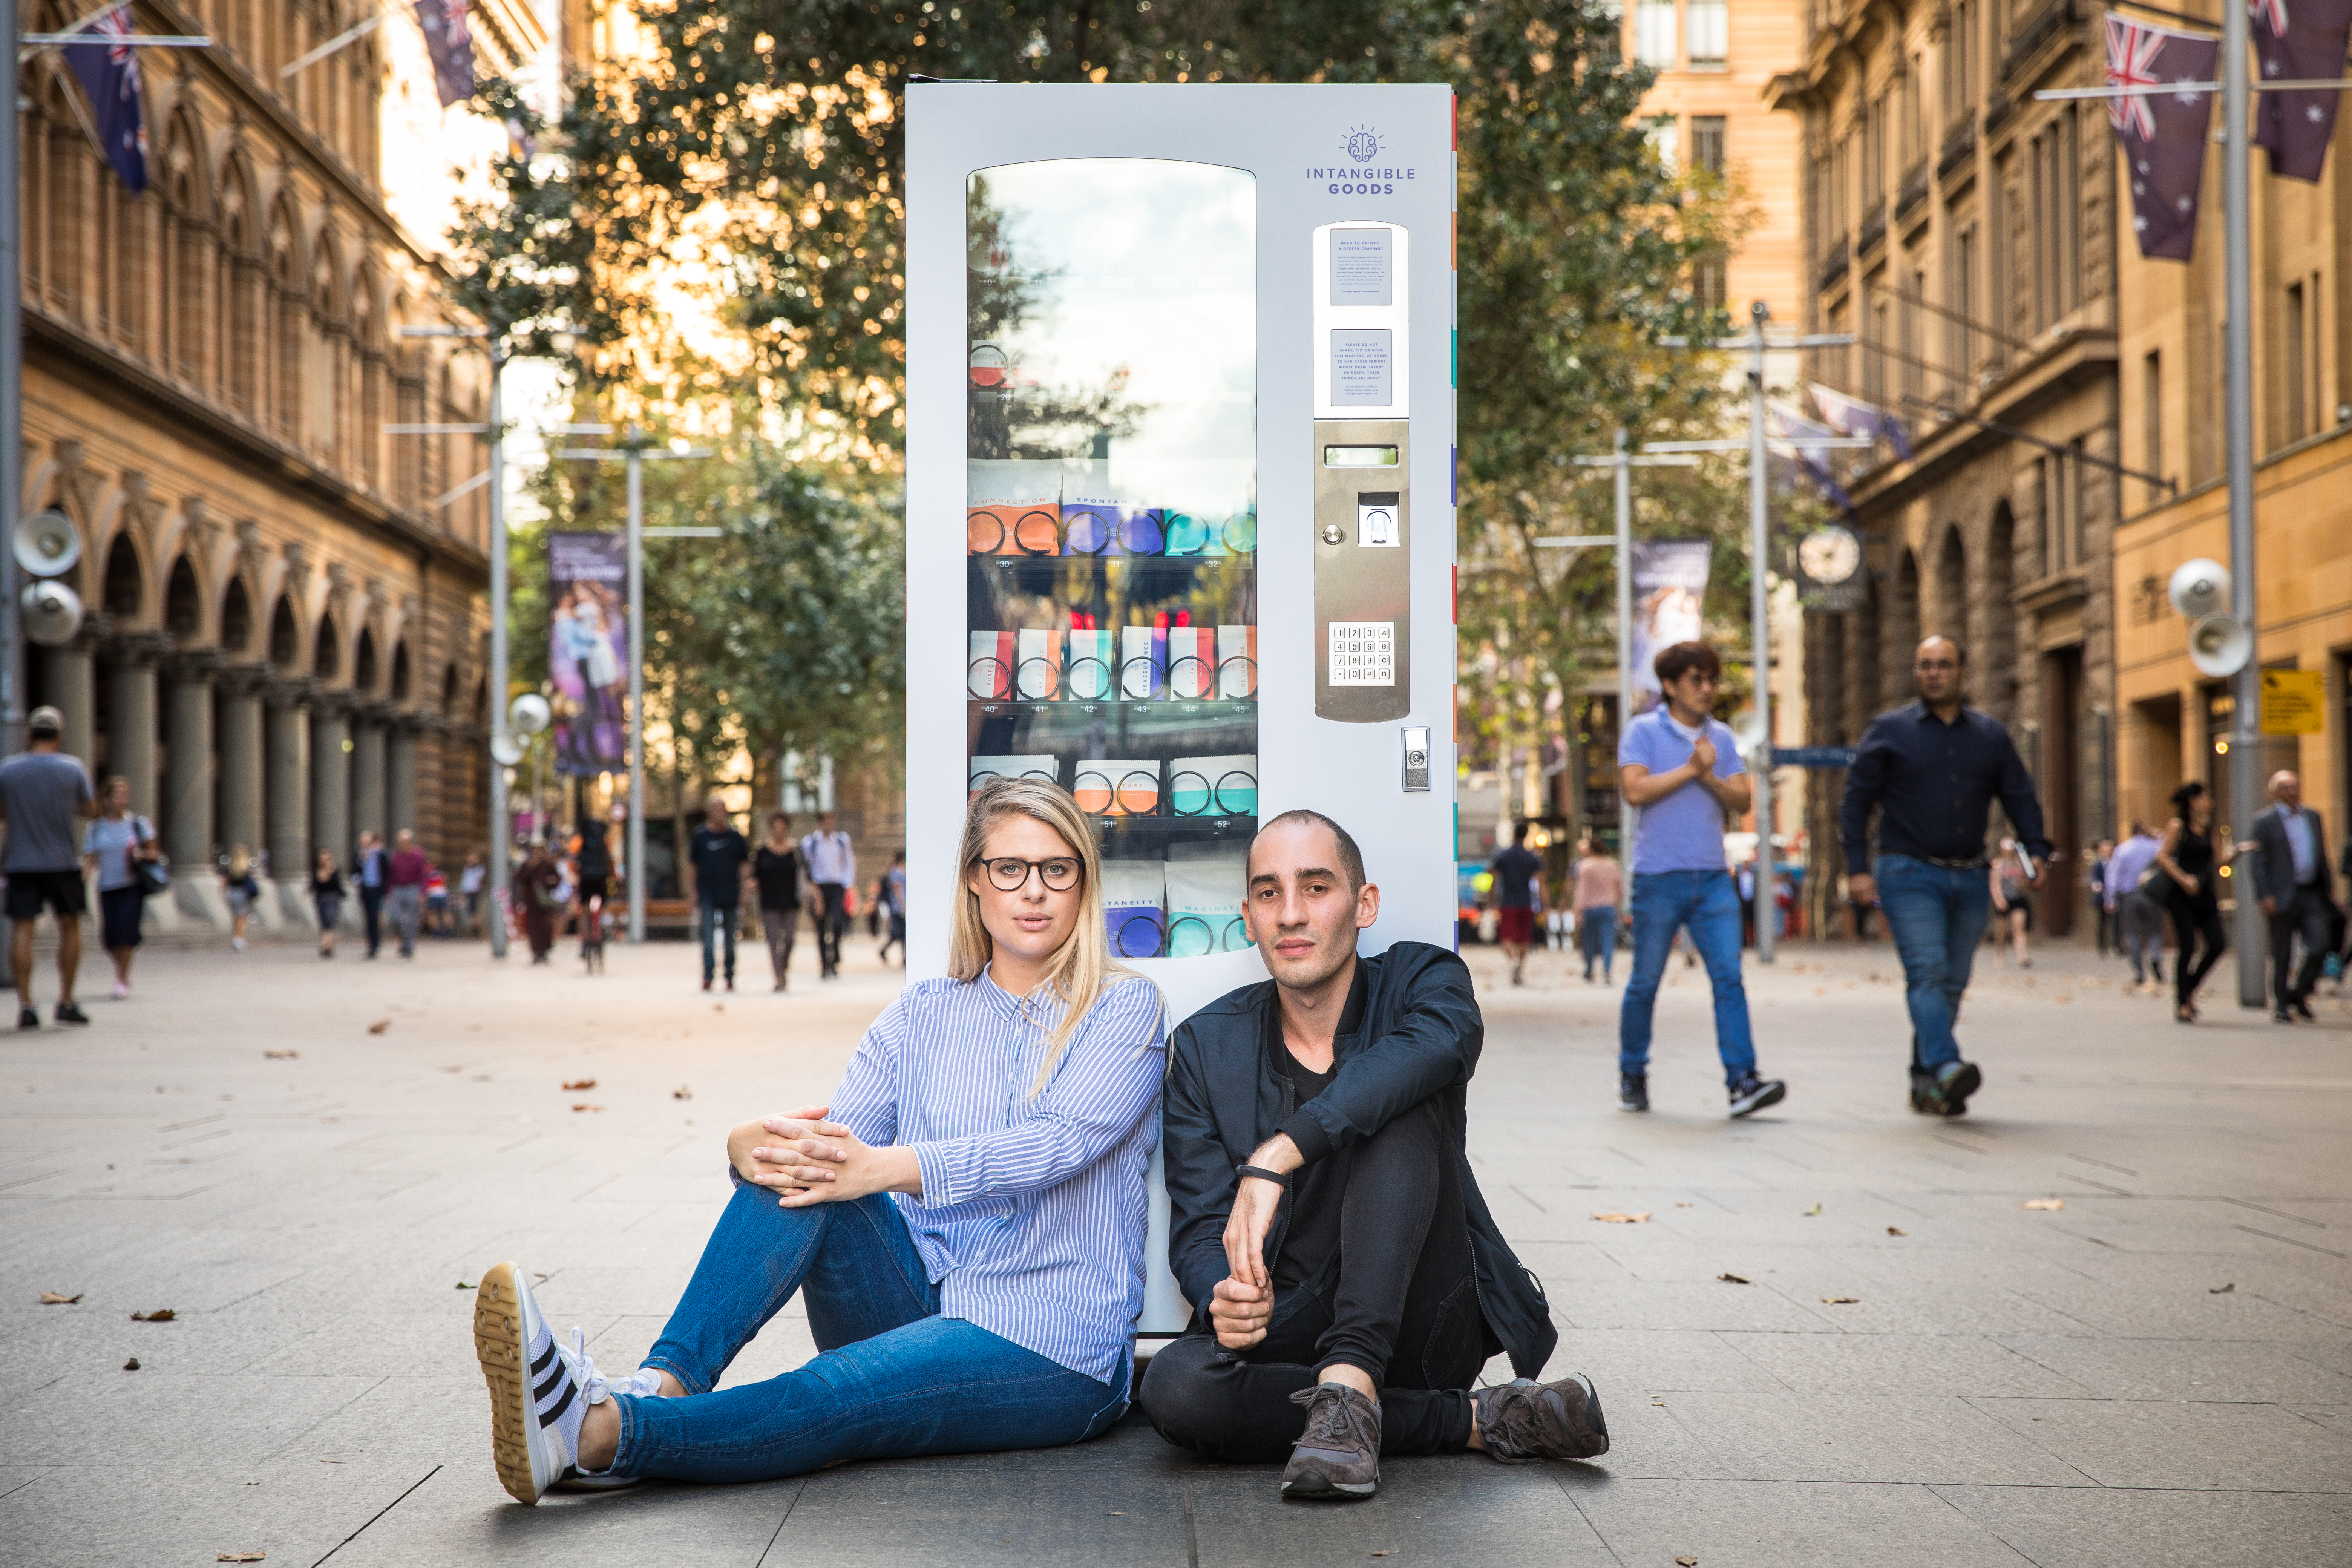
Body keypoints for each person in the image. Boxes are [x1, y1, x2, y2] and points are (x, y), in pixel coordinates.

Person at [467, 777, 1163, 1503]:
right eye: (1009, 868)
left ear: (1083, 884)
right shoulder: (920, 1012)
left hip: (1050, 1343)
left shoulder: (1124, 1008)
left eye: (1058, 869)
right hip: (915, 1293)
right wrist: (748, 1144)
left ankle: (597, 1433)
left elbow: (1055, 1143)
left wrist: (880, 1167)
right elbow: (837, 1148)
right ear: (973, 881)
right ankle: (659, 1382)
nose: (1034, 891)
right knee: (802, 1167)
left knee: (833, 1388)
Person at [1138, 808, 1600, 1501]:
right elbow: (1202, 1222)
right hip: (1291, 1326)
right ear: (1247, 914)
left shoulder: (1423, 980)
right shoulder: (1204, 1047)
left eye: (1315, 887)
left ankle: (1354, 1378)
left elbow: (1440, 1045)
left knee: (1399, 1090)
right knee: (1175, 1386)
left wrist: (1279, 1151)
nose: (1290, 912)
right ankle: (1471, 1418)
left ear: (1363, 904)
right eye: (1268, 893)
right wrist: (1221, 1292)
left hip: (1422, 1314)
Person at [1840, 636, 2049, 1117]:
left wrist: (2035, 851)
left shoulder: (1989, 735)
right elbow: (1855, 802)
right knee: (1928, 972)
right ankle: (1946, 1063)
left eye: (1943, 665)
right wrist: (1855, 867)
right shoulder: (1888, 731)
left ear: (1961, 672)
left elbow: (2019, 795)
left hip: (1970, 875)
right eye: (1924, 666)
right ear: (1916, 673)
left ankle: (1925, 1081)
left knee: (1951, 983)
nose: (1933, 673)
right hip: (1907, 871)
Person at [1615, 642, 1785, 1119]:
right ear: (1669, 686)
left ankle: (1742, 1081)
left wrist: (1707, 774)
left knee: (1729, 979)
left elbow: (1740, 798)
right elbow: (1634, 789)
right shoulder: (1643, 730)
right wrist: (1692, 768)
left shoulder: (1722, 737)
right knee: (1645, 982)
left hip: (1712, 879)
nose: (1707, 688)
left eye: (1711, 679)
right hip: (1657, 878)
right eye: (1696, 679)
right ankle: (1632, 1072)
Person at [0, 706, 97, 1028]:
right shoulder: (72, 768)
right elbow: (89, 808)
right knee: (69, 927)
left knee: (22, 929)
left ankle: (27, 1004)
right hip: (62, 861)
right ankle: (66, 1000)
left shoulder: (8, 770)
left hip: (20, 861)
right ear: (60, 736)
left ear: (29, 734)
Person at [2249, 769, 2337, 1024]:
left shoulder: (2313, 816)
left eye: (2294, 785)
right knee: (2282, 953)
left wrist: (2328, 888)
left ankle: (2298, 994)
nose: (2291, 791)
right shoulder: (2264, 821)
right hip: (2281, 896)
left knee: (2320, 944)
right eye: (2285, 787)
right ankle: (2281, 1004)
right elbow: (2259, 862)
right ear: (2274, 792)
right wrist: (2264, 894)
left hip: (2311, 893)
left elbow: (2321, 854)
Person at [2152, 781, 2225, 1023]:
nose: (2210, 803)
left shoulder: (2209, 829)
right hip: (2181, 896)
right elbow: (2162, 858)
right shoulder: (2178, 826)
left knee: (2217, 944)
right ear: (2193, 802)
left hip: (2205, 895)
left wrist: (2240, 851)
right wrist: (2184, 880)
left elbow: (2220, 860)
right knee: (2188, 948)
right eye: (2205, 798)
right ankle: (2182, 1003)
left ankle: (2188, 989)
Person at [81, 775, 156, 998]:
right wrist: (82, 882)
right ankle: (121, 969)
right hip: (107, 886)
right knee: (109, 938)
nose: (121, 799)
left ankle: (122, 978)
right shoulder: (96, 828)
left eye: (125, 795)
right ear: (106, 798)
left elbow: (155, 853)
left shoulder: (138, 824)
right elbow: (89, 859)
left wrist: (141, 854)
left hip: (131, 885)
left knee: (126, 933)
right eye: (117, 795)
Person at [691, 797, 751, 992]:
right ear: (710, 812)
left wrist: (744, 890)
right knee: (708, 937)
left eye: (723, 810)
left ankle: (730, 976)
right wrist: (692, 892)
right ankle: (708, 975)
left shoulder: (735, 837)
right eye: (716, 810)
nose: (720, 814)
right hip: (707, 893)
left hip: (731, 893)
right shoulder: (700, 837)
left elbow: (744, 865)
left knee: (730, 939)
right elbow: (692, 866)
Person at [2107, 822, 2166, 991]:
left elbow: (2113, 875)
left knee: (2133, 933)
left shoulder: (2123, 849)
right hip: (2152, 895)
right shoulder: (2155, 846)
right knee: (2155, 930)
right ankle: (2155, 958)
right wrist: (2159, 834)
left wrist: (2110, 899)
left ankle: (2140, 971)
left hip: (2129, 896)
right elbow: (2170, 846)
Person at [1486, 821, 1543, 986]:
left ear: (1513, 834)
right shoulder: (1533, 858)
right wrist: (1544, 905)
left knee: (1506, 936)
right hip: (1526, 903)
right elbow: (1541, 883)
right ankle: (1521, 966)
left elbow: (1495, 880)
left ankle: (1513, 961)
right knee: (1525, 937)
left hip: (1508, 902)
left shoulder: (1503, 856)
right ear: (1526, 835)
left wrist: (1490, 901)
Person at [801, 809, 856, 979]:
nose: (830, 826)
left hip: (837, 886)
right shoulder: (810, 843)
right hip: (819, 888)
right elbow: (807, 867)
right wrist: (812, 890)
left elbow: (850, 861)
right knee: (821, 927)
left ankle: (836, 954)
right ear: (820, 823)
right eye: (827, 822)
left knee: (838, 922)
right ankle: (825, 965)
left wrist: (848, 884)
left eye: (833, 822)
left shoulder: (842, 840)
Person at [751, 812, 802, 990]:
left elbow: (804, 874)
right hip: (769, 902)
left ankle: (783, 967)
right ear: (771, 829)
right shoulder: (763, 852)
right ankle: (779, 977)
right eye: (776, 827)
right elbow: (755, 876)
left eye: (783, 827)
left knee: (789, 939)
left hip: (791, 901)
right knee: (773, 941)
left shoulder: (796, 851)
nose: (779, 831)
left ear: (787, 829)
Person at [1572, 839, 1621, 983]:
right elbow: (1620, 889)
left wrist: (1577, 910)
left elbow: (1581, 890)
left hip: (1590, 908)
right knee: (1608, 940)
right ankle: (1607, 971)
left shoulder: (1585, 866)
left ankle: (1589, 970)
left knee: (1589, 940)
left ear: (1591, 850)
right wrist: (1616, 905)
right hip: (1608, 907)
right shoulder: (1613, 865)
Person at [576, 821, 614, 974]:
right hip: (602, 881)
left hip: (586, 881)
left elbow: (575, 864)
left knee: (585, 910)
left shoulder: (580, 842)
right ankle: (602, 929)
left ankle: (586, 940)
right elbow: (611, 863)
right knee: (602, 907)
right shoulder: (605, 842)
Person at [1988, 839, 2032, 969]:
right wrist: (1998, 900)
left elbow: (2028, 880)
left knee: (2019, 928)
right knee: (2002, 931)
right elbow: (1994, 884)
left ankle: (2023, 957)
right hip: (2004, 899)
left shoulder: (2020, 863)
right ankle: (2000, 955)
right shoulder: (1997, 864)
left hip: (2018, 899)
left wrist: (2022, 883)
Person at [386, 829, 428, 959]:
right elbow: (390, 875)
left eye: (405, 842)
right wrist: (388, 891)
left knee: (411, 920)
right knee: (395, 918)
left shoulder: (418, 855)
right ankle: (402, 940)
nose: (403, 844)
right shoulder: (394, 856)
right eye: (400, 842)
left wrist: (422, 892)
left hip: (412, 888)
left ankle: (408, 947)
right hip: (397, 889)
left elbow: (423, 874)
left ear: (410, 842)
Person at [518, 839, 562, 964]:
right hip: (531, 901)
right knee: (533, 927)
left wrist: (550, 882)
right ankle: (536, 951)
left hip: (544, 902)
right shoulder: (527, 865)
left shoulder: (547, 865)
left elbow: (557, 880)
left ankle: (544, 951)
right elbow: (521, 879)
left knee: (545, 926)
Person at [221, 845, 262, 952]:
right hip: (242, 894)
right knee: (242, 918)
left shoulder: (230, 867)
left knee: (235, 918)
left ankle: (236, 938)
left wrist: (223, 895)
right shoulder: (245, 868)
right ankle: (239, 939)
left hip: (232, 893)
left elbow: (225, 882)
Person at [354, 830, 388, 959]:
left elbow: (387, 871)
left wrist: (386, 890)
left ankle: (375, 944)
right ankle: (370, 945)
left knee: (374, 916)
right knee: (368, 918)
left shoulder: (380, 854)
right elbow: (355, 871)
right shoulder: (359, 854)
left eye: (368, 840)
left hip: (377, 890)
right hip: (365, 889)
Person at [311, 850, 346, 959]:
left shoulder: (334, 870)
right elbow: (314, 886)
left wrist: (331, 873)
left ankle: (325, 945)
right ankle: (328, 945)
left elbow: (337, 886)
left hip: (332, 898)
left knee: (329, 922)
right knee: (324, 923)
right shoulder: (316, 871)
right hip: (321, 899)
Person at [878, 848, 908, 967]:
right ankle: (886, 951)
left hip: (900, 906)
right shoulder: (897, 872)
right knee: (900, 933)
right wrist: (903, 905)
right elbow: (898, 891)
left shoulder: (899, 871)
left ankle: (904, 958)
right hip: (898, 907)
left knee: (902, 934)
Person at [2088, 838, 2117, 956]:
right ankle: (2102, 947)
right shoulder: (2097, 864)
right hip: (2102, 898)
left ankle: (2117, 946)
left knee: (2117, 922)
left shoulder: (2116, 863)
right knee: (2102, 923)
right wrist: (2097, 886)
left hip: (2115, 896)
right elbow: (2095, 879)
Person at [458, 850, 486, 937]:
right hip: (467, 891)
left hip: (474, 892)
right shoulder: (467, 868)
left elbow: (478, 879)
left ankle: (476, 930)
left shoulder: (479, 868)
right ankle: (472, 928)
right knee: (470, 911)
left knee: (474, 911)